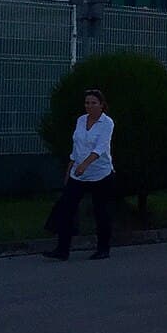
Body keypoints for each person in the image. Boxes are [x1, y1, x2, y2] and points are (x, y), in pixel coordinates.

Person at [45, 89, 117, 260]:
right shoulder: (81, 120)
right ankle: (62, 249)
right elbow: (77, 146)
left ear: (101, 105)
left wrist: (85, 164)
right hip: (78, 174)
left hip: (100, 174)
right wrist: (71, 167)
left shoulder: (107, 123)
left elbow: (100, 147)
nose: (89, 106)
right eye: (87, 103)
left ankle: (103, 248)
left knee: (101, 211)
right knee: (66, 209)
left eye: (93, 103)